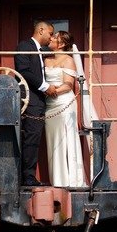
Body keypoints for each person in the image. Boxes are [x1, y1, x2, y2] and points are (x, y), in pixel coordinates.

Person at [14, 21, 57, 186]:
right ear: (41, 30)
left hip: (37, 101)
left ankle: (28, 177)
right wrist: (45, 87)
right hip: (30, 100)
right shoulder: (25, 46)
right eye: (50, 34)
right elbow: (23, 71)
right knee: (31, 139)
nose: (51, 37)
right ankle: (28, 178)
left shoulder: (39, 50)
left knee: (34, 138)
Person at [44, 31, 86, 187]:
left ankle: (71, 180)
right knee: (53, 141)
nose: (51, 39)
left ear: (61, 44)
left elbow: (68, 85)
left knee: (66, 139)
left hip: (64, 104)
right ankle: (57, 180)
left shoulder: (68, 60)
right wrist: (46, 91)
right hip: (49, 106)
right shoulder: (46, 60)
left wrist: (51, 91)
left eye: (54, 37)